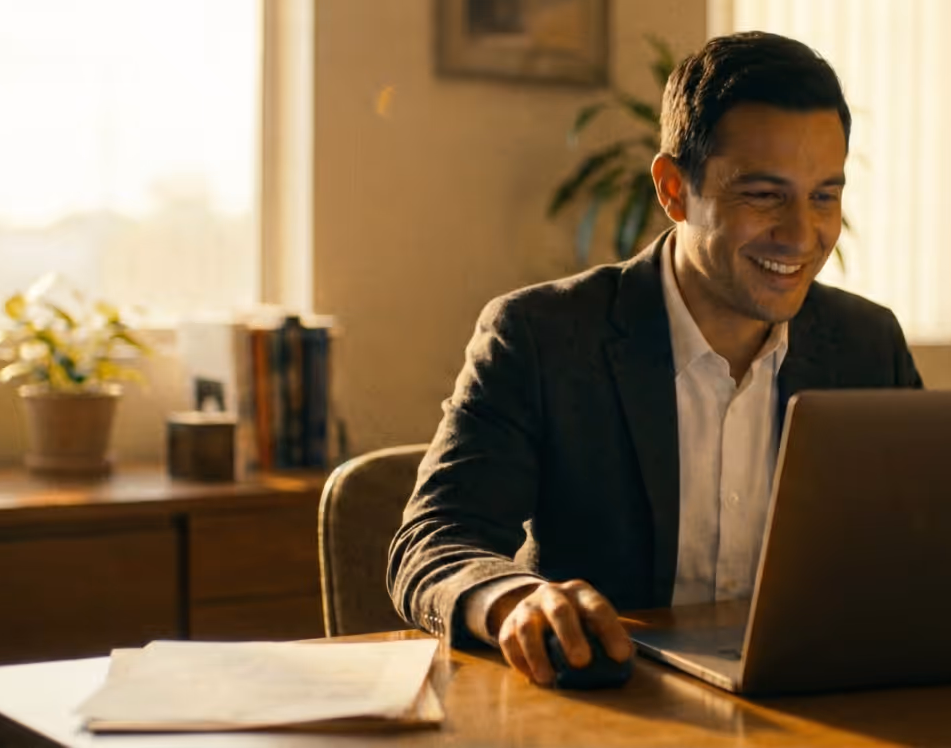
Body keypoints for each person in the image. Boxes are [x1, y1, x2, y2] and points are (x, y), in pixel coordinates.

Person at [386, 31, 923, 687]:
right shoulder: (541, 335)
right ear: (673, 190)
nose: (801, 234)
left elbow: (917, 551)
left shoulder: (868, 345)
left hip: (814, 706)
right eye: (763, 194)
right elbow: (433, 542)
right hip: (605, 704)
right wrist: (513, 599)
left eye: (824, 195)